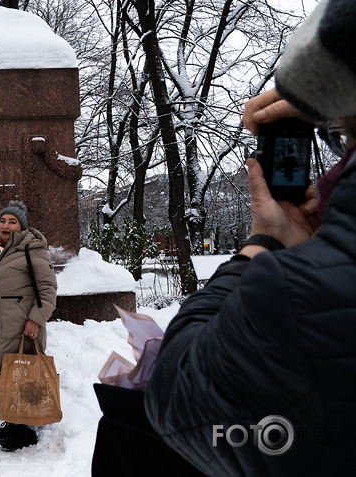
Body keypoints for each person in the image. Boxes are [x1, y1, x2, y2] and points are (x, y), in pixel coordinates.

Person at [144, 0, 356, 474]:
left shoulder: (295, 294)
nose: (334, 166)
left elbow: (177, 395)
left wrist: (260, 247)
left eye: (341, 136)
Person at [0, 200, 57, 451]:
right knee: (2, 373)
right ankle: (12, 421)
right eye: (2, 221)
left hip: (19, 324)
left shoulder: (32, 249)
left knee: (20, 373)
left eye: (12, 221)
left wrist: (36, 319)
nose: (5, 225)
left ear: (21, 226)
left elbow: (47, 289)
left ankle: (23, 429)